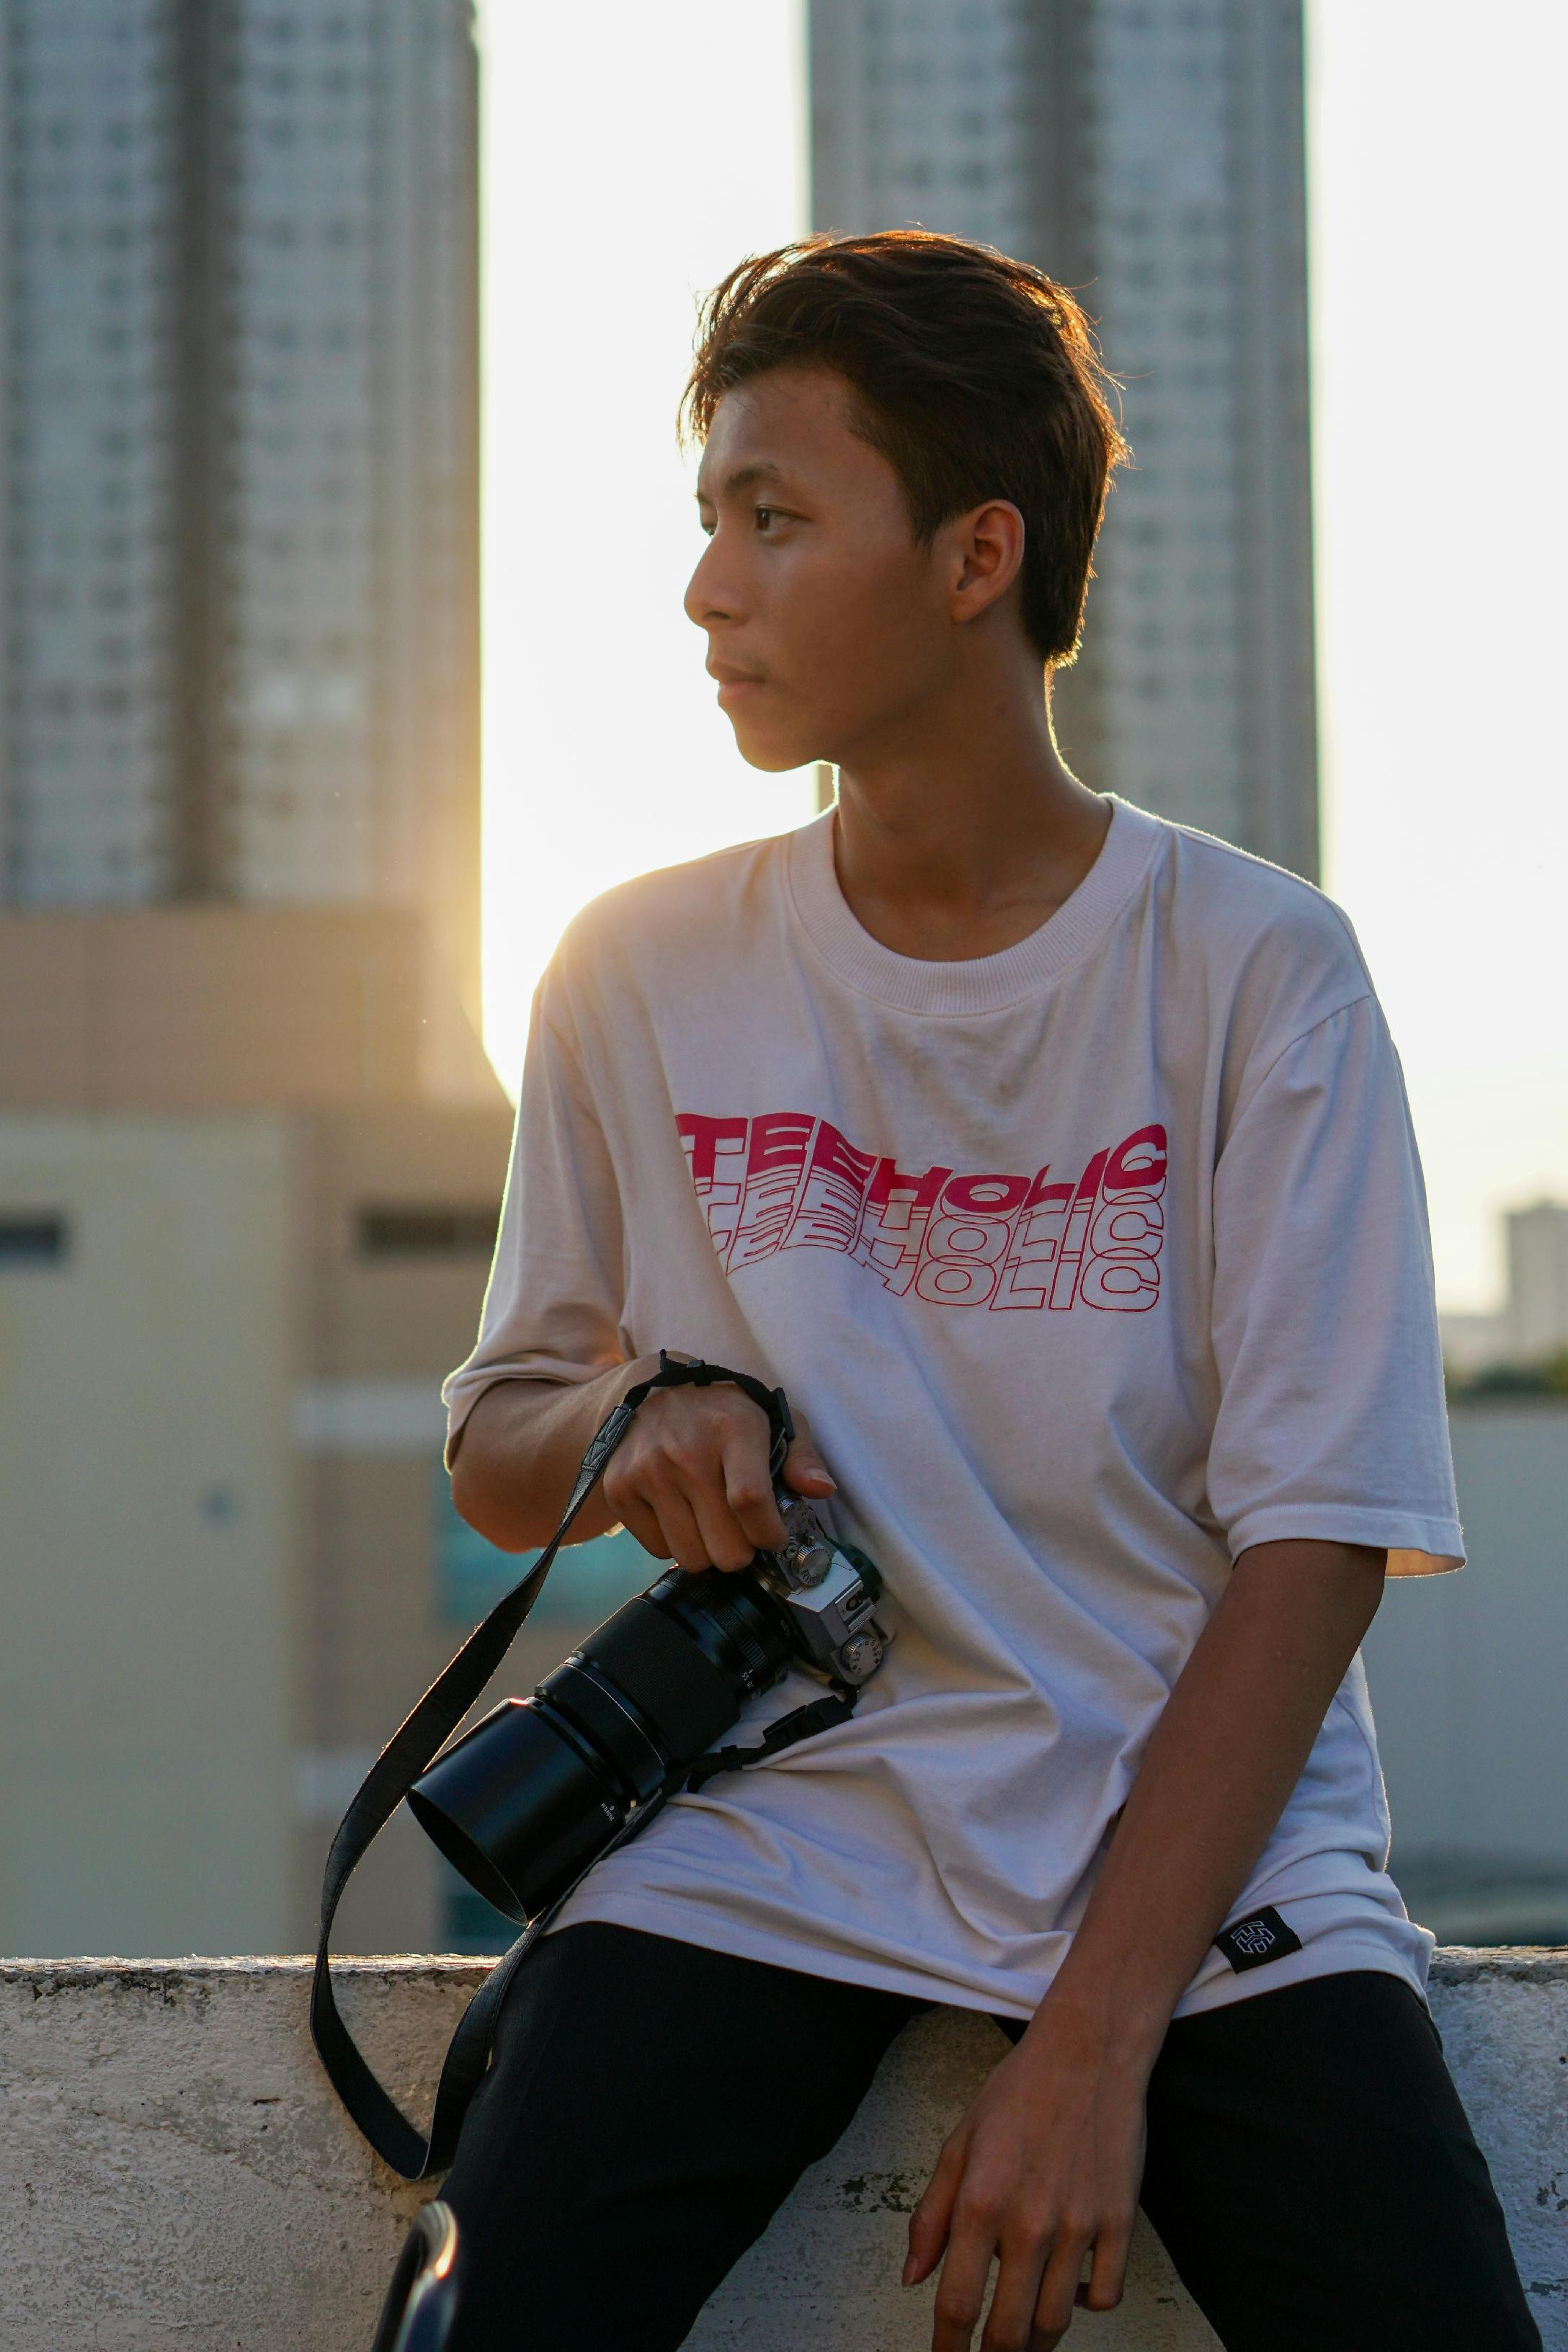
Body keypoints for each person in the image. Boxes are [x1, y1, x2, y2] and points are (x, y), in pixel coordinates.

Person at [431, 234, 1539, 2352]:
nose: (707, 591)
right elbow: (500, 1435)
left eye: (774, 519)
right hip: (785, 1830)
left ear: (976, 558)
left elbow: (1318, 1541)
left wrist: (1093, 2046)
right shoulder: (634, 970)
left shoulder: (1250, 967)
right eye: (705, 523)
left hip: (1204, 1856)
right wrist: (632, 1423)